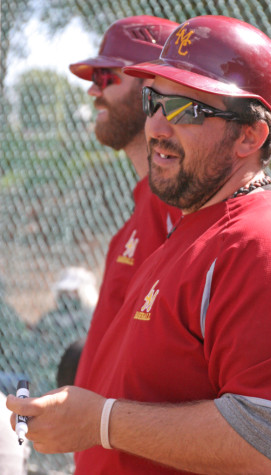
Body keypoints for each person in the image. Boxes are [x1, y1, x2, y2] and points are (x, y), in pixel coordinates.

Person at [7, 15, 271, 475]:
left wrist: (102, 423)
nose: (155, 125)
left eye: (186, 110)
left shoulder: (270, 246)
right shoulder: (197, 229)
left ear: (250, 135)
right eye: (155, 101)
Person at [68, 15, 181, 389]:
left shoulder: (179, 206)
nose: (92, 91)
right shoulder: (145, 209)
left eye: (105, 77)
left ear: (152, 84)